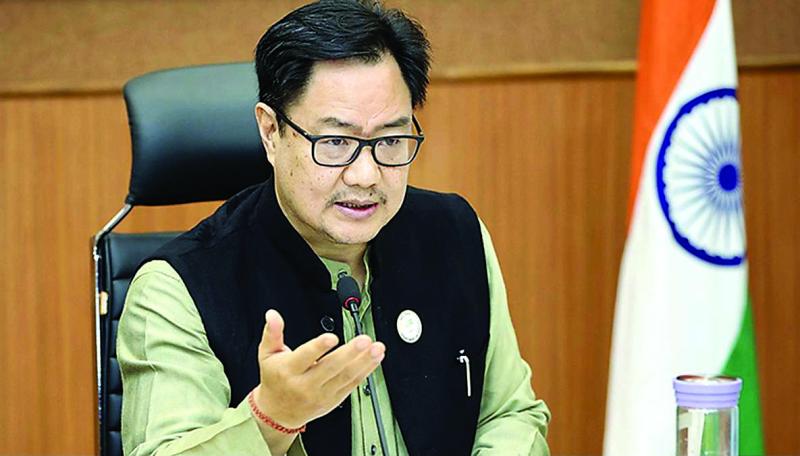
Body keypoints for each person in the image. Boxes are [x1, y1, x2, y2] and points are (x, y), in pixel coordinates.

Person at [117, 1, 551, 455]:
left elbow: (509, 414)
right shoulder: (176, 288)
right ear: (270, 132)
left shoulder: (455, 235)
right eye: (336, 141)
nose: (365, 175)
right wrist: (270, 420)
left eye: (390, 139)